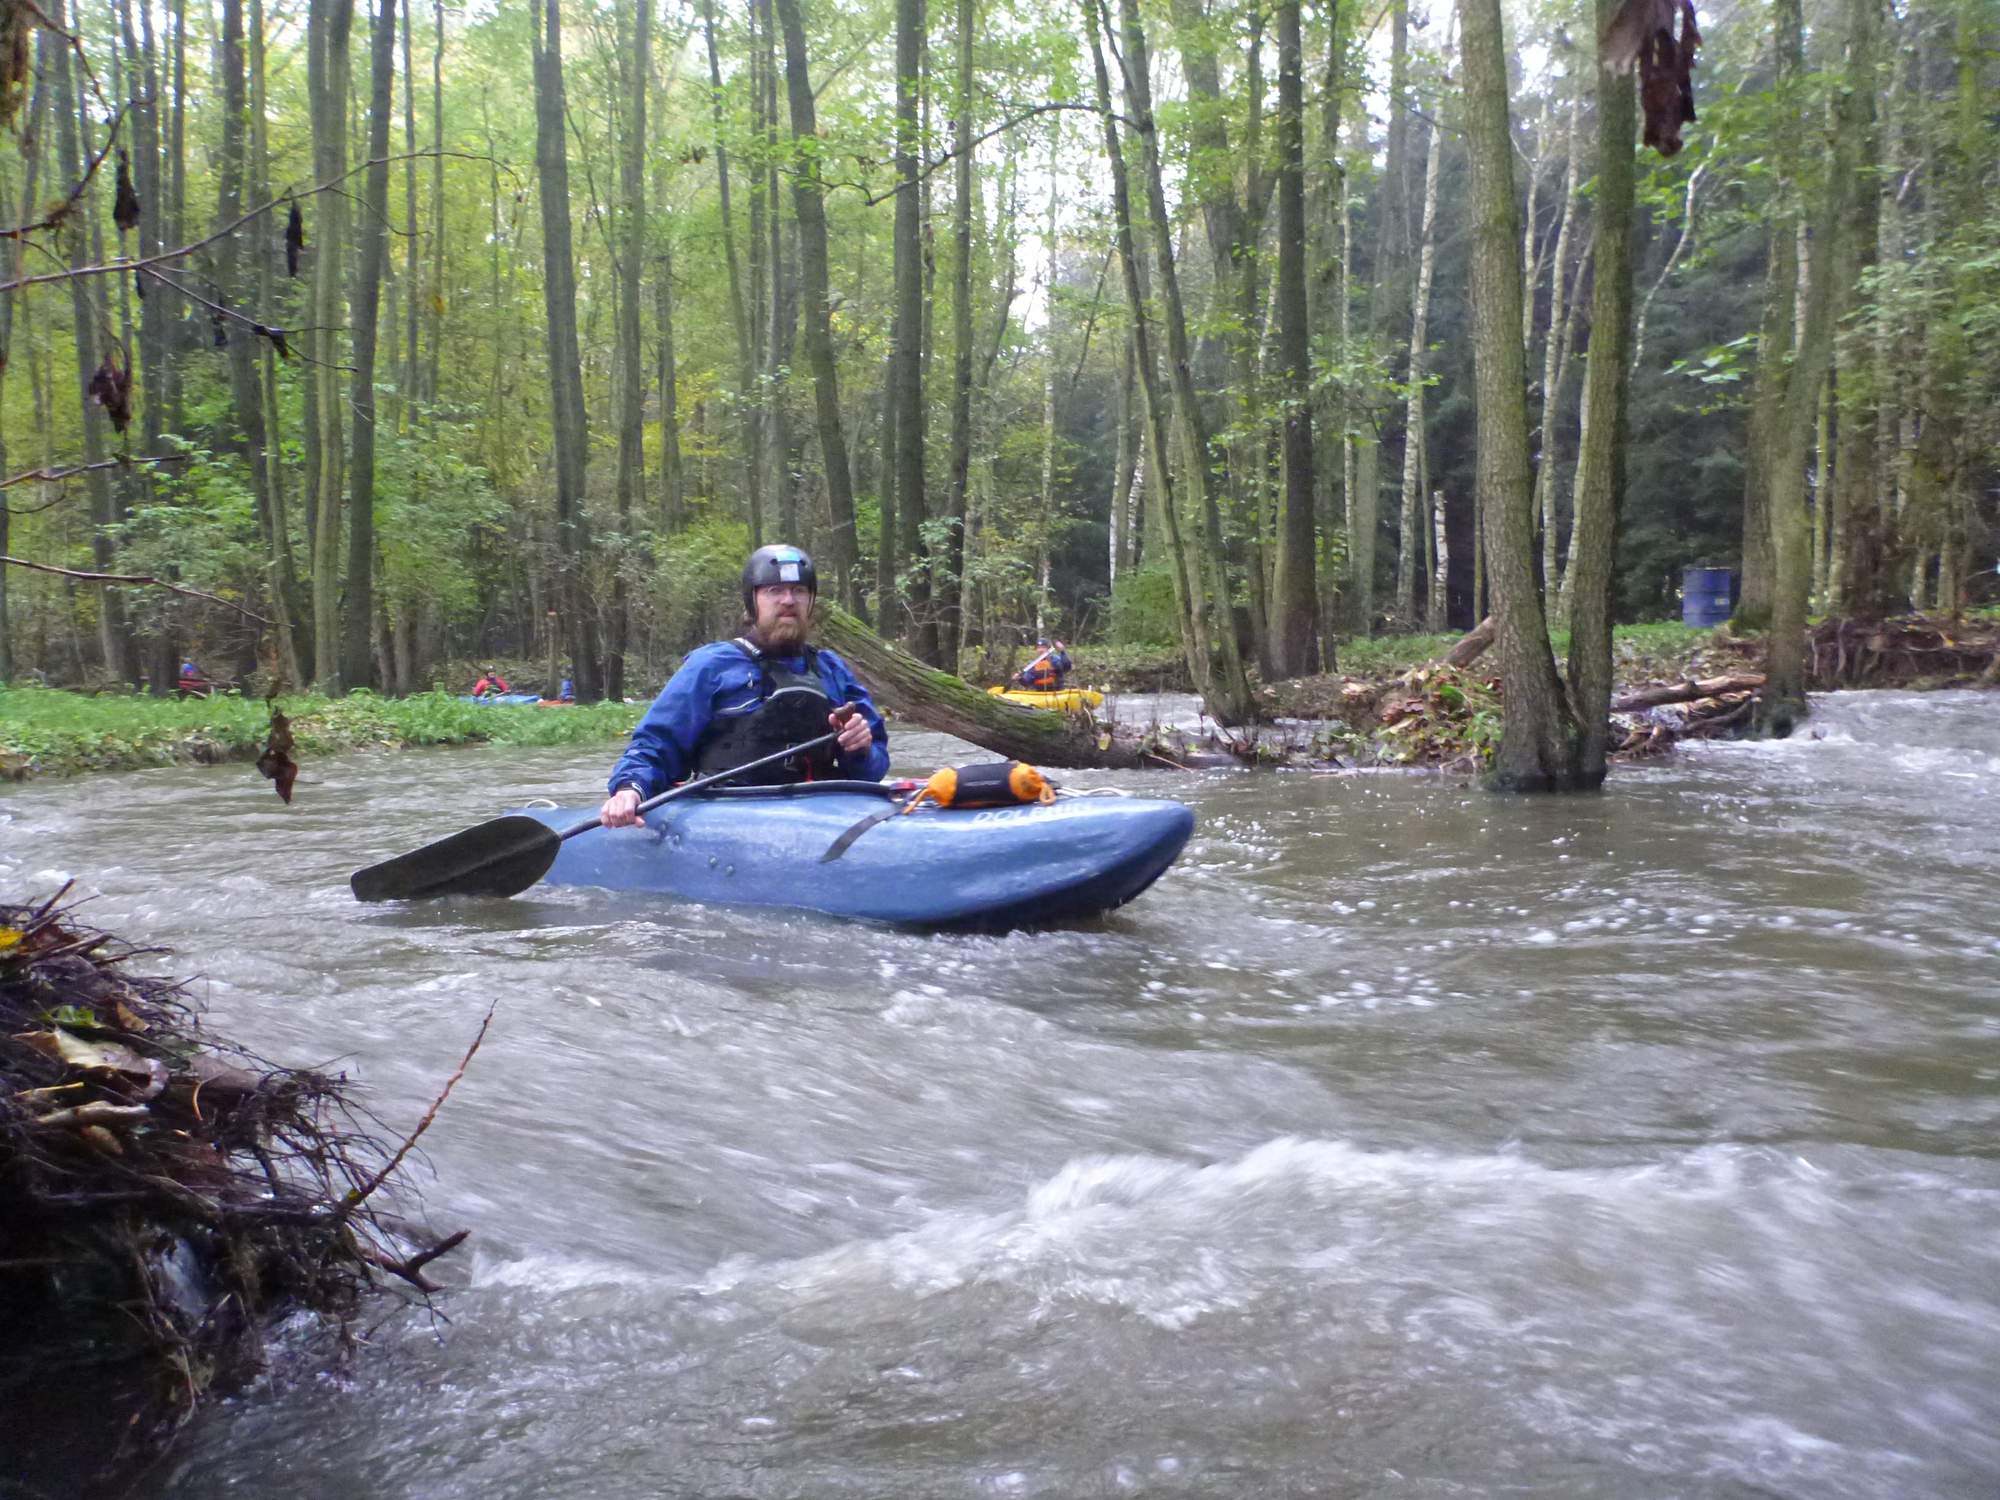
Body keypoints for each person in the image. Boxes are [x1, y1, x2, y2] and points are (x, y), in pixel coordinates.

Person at [600, 544, 889, 827]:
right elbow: (656, 743)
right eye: (774, 590)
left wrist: (860, 750)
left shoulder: (832, 669)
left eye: (799, 591)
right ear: (753, 602)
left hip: (821, 814)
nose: (788, 600)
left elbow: (874, 770)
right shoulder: (711, 665)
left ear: (811, 602)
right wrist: (631, 788)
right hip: (730, 814)